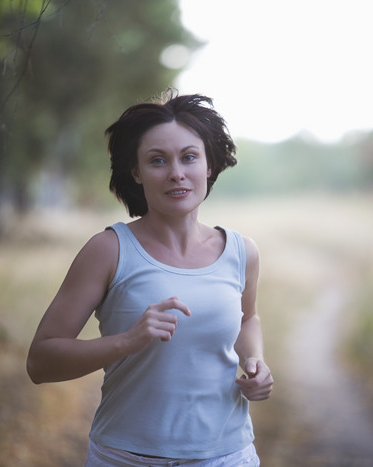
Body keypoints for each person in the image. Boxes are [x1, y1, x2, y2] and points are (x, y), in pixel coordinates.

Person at [26, 90, 274, 466]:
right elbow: (40, 362)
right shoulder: (108, 250)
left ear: (209, 164)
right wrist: (126, 341)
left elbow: (247, 317)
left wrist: (254, 361)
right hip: (126, 458)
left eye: (189, 157)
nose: (176, 172)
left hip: (227, 456)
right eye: (158, 160)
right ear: (136, 172)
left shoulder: (241, 252)